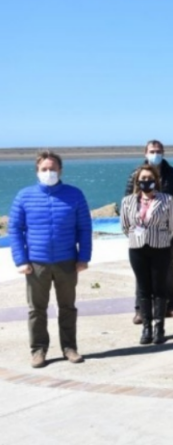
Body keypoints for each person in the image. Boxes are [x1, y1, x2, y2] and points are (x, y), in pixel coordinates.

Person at [8, 151, 92, 368]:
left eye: (52, 169)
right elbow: (15, 230)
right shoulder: (24, 196)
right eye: (44, 169)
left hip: (67, 262)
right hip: (36, 264)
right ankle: (38, 350)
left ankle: (69, 348)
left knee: (67, 307)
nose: (49, 173)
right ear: (37, 171)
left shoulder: (75, 195)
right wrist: (21, 260)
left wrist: (83, 257)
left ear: (60, 170)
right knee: (36, 309)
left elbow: (84, 228)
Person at [124, 140, 173, 322]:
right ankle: (141, 310)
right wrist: (129, 229)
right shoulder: (136, 174)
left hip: (165, 231)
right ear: (145, 153)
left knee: (168, 268)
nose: (156, 154)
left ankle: (169, 306)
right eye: (152, 151)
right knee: (142, 271)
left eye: (159, 151)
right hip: (140, 233)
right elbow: (127, 201)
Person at [121, 165, 173, 345]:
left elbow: (172, 226)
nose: (146, 181)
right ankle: (146, 327)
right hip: (137, 248)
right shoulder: (128, 201)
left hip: (160, 248)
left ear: (156, 180)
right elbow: (124, 226)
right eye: (143, 178)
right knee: (144, 289)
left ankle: (159, 327)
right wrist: (138, 237)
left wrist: (159, 238)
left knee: (159, 288)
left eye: (149, 178)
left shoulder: (167, 199)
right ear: (137, 181)